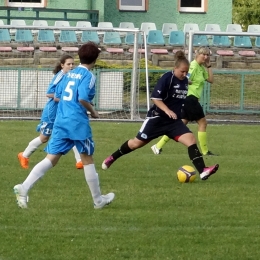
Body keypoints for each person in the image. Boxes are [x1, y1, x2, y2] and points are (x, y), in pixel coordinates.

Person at [14, 42, 115, 209]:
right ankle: (98, 200)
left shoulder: (69, 73)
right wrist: (94, 112)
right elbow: (83, 97)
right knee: (87, 158)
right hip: (77, 123)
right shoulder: (88, 76)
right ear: (95, 59)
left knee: (51, 159)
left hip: (61, 120)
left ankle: (24, 188)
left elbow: (58, 95)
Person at [101, 51, 219, 181]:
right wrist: (167, 110)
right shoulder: (167, 78)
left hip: (173, 122)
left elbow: (190, 83)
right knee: (136, 143)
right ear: (175, 68)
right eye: (182, 72)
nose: (185, 75)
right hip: (157, 119)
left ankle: (202, 170)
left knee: (191, 140)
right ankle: (112, 157)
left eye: (186, 72)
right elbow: (155, 98)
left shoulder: (185, 80)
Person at [17, 55, 84, 170]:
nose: (72, 66)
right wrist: (66, 98)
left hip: (63, 112)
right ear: (62, 65)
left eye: (73, 64)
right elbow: (49, 93)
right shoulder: (60, 76)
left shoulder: (72, 76)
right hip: (52, 112)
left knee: (72, 132)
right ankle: (24, 155)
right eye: (69, 64)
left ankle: (79, 161)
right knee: (44, 138)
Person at [151, 46, 216, 156]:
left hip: (191, 99)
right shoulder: (193, 66)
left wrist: (208, 66)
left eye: (207, 55)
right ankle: (205, 152)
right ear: (197, 55)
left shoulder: (201, 67)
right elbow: (185, 78)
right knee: (202, 123)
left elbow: (210, 80)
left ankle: (157, 146)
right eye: (203, 54)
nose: (206, 57)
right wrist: (188, 82)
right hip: (190, 98)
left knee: (180, 124)